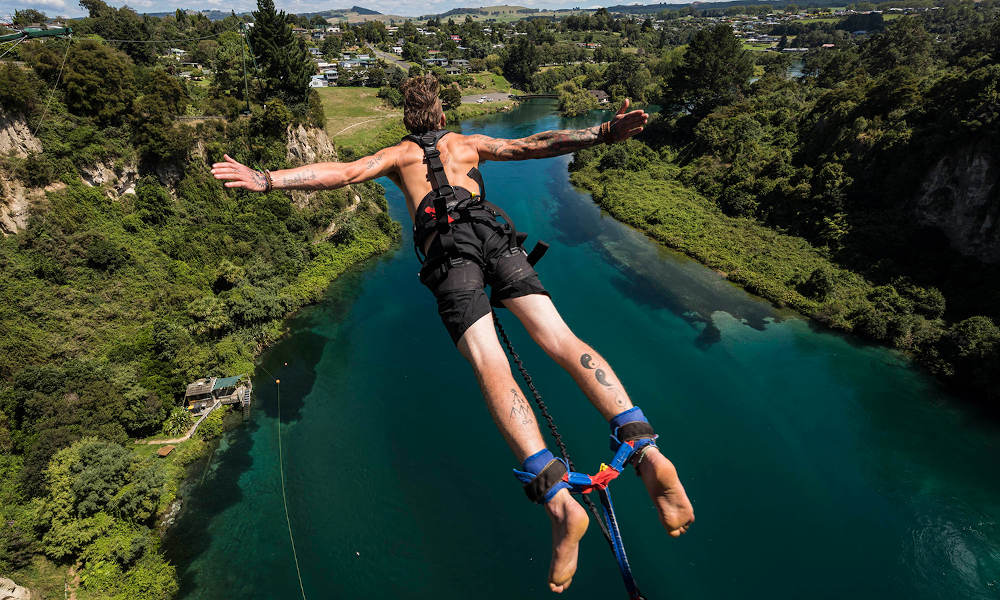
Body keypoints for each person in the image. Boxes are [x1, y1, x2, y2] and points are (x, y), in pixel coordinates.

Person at [212, 75, 694, 593]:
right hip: (495, 236)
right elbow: (533, 145)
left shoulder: (397, 156)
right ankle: (643, 445)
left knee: (491, 363)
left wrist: (266, 179)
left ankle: (558, 499)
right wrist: (600, 134)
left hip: (450, 256)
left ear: (407, 120)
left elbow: (342, 172)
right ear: (441, 116)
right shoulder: (467, 144)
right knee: (562, 339)